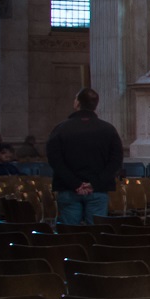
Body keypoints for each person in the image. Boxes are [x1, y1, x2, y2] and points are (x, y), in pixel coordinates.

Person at [44, 88, 123, 226]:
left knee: (70, 234)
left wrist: (75, 184)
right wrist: (95, 183)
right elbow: (116, 161)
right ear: (95, 105)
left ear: (77, 104)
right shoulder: (108, 129)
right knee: (96, 233)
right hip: (97, 189)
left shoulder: (61, 129)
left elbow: (55, 160)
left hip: (68, 188)